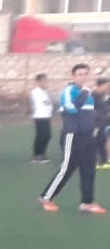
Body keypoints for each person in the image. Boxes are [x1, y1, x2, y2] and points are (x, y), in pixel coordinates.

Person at [40, 63, 106, 214]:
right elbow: (72, 109)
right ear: (73, 76)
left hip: (89, 136)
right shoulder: (69, 91)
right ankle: (45, 197)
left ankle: (87, 202)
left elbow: (91, 113)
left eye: (86, 74)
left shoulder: (89, 94)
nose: (83, 77)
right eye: (80, 74)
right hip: (73, 135)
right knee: (67, 168)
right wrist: (85, 91)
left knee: (89, 169)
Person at [30, 73, 53, 165]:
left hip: (46, 116)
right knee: (41, 136)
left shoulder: (45, 91)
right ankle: (37, 155)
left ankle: (42, 153)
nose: (46, 82)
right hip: (40, 116)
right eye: (44, 80)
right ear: (38, 82)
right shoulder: (36, 92)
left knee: (47, 136)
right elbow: (47, 102)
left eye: (46, 80)